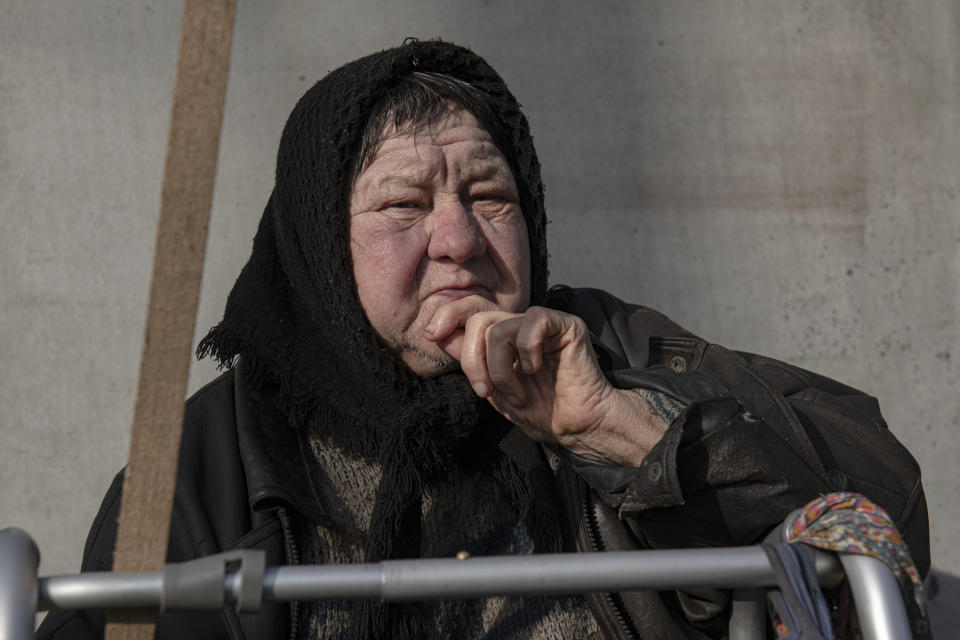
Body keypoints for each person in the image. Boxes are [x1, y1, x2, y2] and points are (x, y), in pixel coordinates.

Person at [37, 40, 928, 640]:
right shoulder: (218, 453)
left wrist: (616, 433)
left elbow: (881, 505)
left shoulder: (608, 351)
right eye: (403, 205)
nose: (460, 240)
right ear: (319, 246)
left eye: (490, 196)